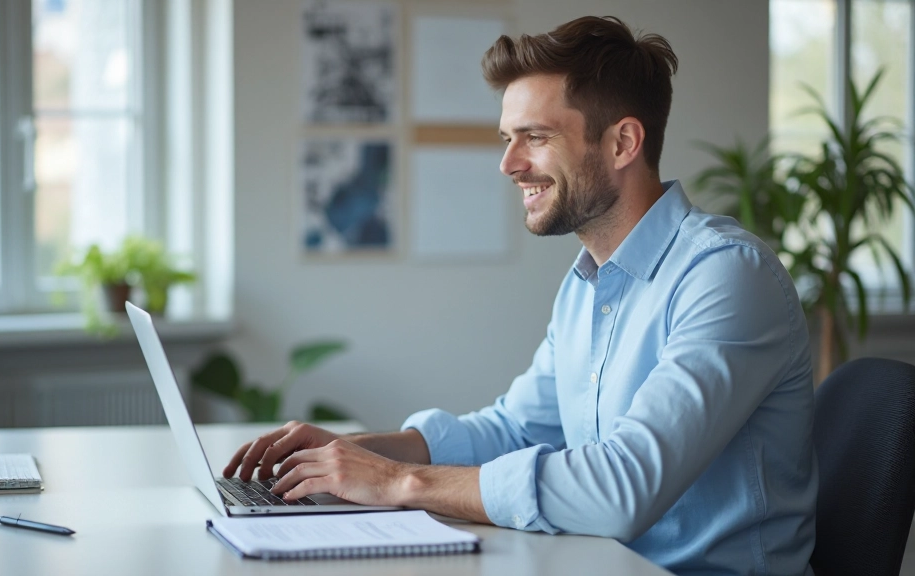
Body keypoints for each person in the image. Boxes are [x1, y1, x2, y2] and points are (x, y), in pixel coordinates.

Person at [225, 15, 817, 575]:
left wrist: (397, 482)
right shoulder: (587, 283)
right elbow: (519, 428)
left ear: (622, 143)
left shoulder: (727, 276)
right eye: (508, 138)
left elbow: (622, 488)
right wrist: (361, 449)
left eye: (534, 136)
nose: (508, 163)